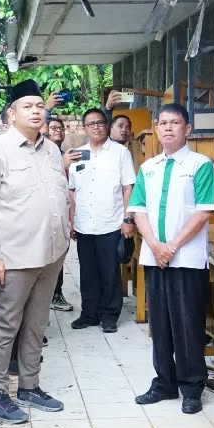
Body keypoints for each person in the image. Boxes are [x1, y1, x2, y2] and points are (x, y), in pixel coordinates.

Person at [0, 79, 70, 424]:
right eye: (27, 106)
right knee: (7, 326)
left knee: (36, 323)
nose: (35, 111)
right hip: (14, 257)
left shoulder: (51, 150)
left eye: (39, 105)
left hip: (52, 254)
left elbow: (59, 195)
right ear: (12, 113)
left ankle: (30, 386)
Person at [126, 104, 214, 413]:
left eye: (174, 122)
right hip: (155, 257)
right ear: (156, 128)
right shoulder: (148, 167)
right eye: (163, 123)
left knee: (188, 324)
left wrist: (172, 246)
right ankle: (164, 382)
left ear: (187, 129)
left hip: (186, 259)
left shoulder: (200, 165)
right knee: (160, 323)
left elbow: (203, 211)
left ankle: (191, 387)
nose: (167, 128)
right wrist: (154, 245)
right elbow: (138, 210)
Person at [67, 108, 137, 334]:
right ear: (84, 128)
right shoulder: (77, 154)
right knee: (87, 273)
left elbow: (128, 188)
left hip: (111, 223)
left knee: (109, 273)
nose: (96, 127)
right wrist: (71, 221)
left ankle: (109, 315)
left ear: (106, 125)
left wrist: (127, 219)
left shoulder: (120, 153)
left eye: (99, 122)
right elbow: (72, 191)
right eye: (91, 124)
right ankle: (89, 313)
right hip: (84, 224)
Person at [46, 115, 74, 312]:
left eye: (61, 128)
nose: (58, 131)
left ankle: (57, 294)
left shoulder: (67, 155)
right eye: (54, 127)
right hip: (45, 214)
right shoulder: (42, 155)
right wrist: (61, 166)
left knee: (60, 255)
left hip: (64, 213)